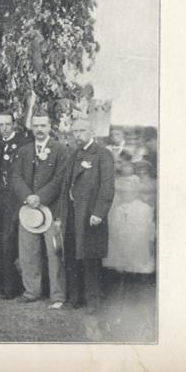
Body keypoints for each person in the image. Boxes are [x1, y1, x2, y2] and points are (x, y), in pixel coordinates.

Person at [11, 112, 70, 308]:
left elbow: (60, 178)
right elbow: (16, 177)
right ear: (31, 128)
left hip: (52, 210)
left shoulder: (61, 150)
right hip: (28, 210)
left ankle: (58, 296)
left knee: (54, 254)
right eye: (36, 126)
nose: (39, 129)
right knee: (28, 252)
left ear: (50, 126)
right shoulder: (24, 151)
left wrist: (40, 197)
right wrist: (27, 196)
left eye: (43, 125)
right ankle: (31, 291)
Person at [61, 119, 115, 313]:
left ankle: (93, 302)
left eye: (82, 130)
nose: (78, 134)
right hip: (72, 215)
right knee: (73, 256)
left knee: (90, 259)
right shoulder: (74, 154)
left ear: (92, 130)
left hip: (90, 215)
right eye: (75, 131)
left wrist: (99, 212)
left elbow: (107, 186)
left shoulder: (103, 154)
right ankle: (75, 299)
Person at [0, 111, 32, 299]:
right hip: (0, 197)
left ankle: (11, 287)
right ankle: (2, 282)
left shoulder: (23, 144)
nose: (5, 128)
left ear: (14, 125)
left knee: (9, 239)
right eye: (1, 125)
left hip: (16, 198)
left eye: (8, 124)